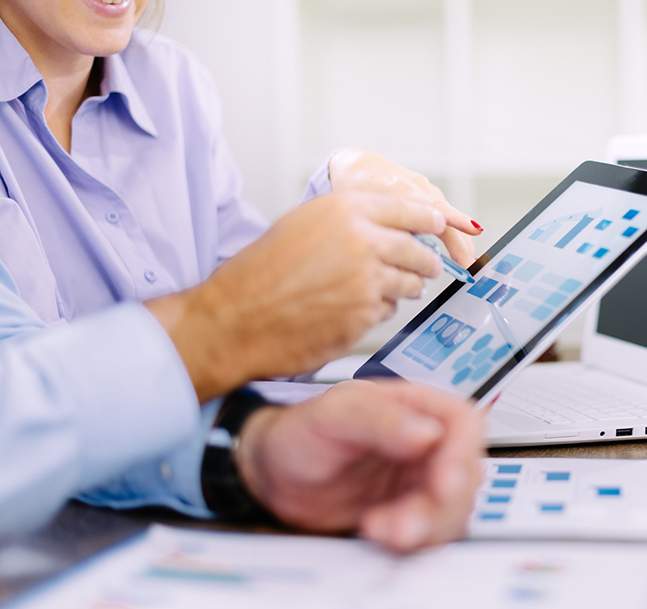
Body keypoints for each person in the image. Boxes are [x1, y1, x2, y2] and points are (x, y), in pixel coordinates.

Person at [0, 0, 485, 553]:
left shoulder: (174, 82)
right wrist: (226, 331)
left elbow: (254, 344)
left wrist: (334, 201)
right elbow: (24, 418)